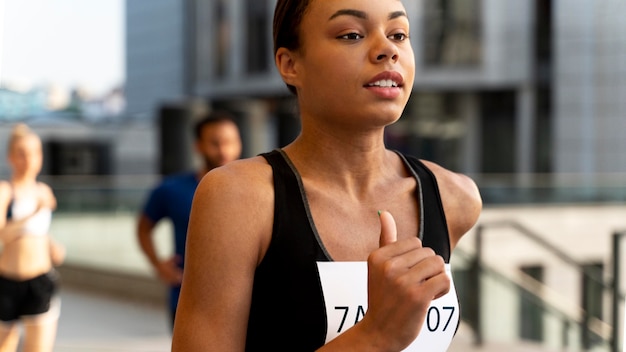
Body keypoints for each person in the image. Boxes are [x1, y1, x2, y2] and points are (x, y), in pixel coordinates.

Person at [172, 0, 482, 350]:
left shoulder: (454, 197)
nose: (387, 51)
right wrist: (374, 335)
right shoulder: (240, 198)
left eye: (398, 34)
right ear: (290, 65)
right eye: (351, 34)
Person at [136, 111, 242, 328]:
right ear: (198, 146)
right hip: (189, 300)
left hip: (244, 300)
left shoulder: (257, 188)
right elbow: (143, 228)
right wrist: (158, 265)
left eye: (230, 142)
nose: (224, 150)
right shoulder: (171, 189)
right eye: (215, 143)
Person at [0, 123, 65, 352]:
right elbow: (3, 234)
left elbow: (40, 232)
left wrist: (52, 246)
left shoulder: (44, 191)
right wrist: (33, 211)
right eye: (22, 153)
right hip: (6, 282)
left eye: (34, 153)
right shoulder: (5, 191)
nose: (28, 160)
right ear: (10, 157)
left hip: (39, 281)